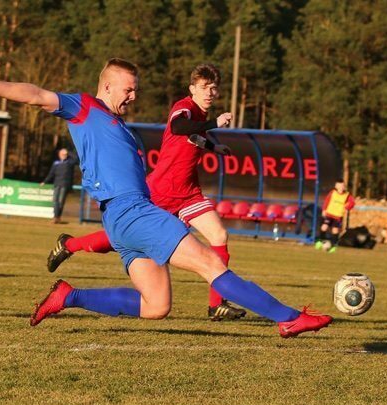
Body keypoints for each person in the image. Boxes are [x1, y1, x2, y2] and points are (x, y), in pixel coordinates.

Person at [0, 58, 332, 338]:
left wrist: (208, 145)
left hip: (120, 219)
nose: (133, 95)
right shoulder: (84, 107)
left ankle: (69, 296)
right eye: (128, 88)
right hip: (133, 213)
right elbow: (37, 95)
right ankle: (287, 318)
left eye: (136, 89)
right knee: (211, 262)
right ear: (108, 86)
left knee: (156, 306)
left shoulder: (118, 126)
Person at [46, 64, 245, 321]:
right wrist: (214, 124)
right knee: (119, 239)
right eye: (204, 87)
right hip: (162, 189)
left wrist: (213, 147)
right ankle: (69, 244)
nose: (210, 93)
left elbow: (192, 137)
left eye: (214, 88)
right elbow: (179, 128)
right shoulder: (184, 108)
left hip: (188, 192)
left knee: (219, 234)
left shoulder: (199, 118)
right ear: (192, 88)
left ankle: (216, 305)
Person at [315, 179, 355, 253]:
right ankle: (319, 241)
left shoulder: (347, 195)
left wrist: (347, 206)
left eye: (342, 186)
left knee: (335, 230)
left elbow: (352, 203)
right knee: (324, 227)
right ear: (336, 186)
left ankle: (333, 246)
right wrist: (324, 210)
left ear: (344, 187)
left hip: (338, 216)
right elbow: (327, 201)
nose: (341, 187)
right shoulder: (332, 193)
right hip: (329, 213)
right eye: (339, 186)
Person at [41, 148, 78, 223]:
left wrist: (68, 152)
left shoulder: (70, 162)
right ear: (59, 155)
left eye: (65, 154)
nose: (64, 155)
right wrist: (45, 181)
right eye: (62, 154)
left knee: (61, 202)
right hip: (57, 184)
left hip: (65, 185)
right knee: (55, 201)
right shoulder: (56, 163)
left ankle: (57, 217)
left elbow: (76, 159)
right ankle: (56, 217)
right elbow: (51, 174)